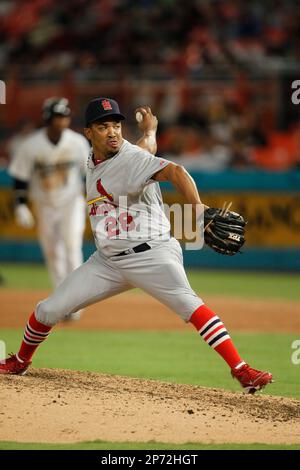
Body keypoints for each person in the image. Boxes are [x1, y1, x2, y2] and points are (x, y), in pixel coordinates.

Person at [0, 97, 273, 394]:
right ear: (88, 133)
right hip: (107, 261)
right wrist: (150, 132)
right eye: (104, 126)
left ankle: (243, 371)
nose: (113, 131)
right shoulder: (95, 159)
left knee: (190, 305)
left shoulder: (129, 158)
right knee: (47, 310)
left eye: (117, 125)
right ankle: (20, 361)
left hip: (152, 254)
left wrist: (196, 210)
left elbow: (176, 171)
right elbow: (146, 150)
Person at [8, 98, 90, 320]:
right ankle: (61, 300)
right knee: (53, 252)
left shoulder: (77, 142)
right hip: (44, 204)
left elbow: (89, 173)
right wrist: (21, 205)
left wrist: (91, 199)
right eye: (56, 117)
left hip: (71, 203)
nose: (61, 121)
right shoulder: (31, 145)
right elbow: (20, 177)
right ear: (47, 119)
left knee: (72, 248)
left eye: (64, 117)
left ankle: (75, 303)